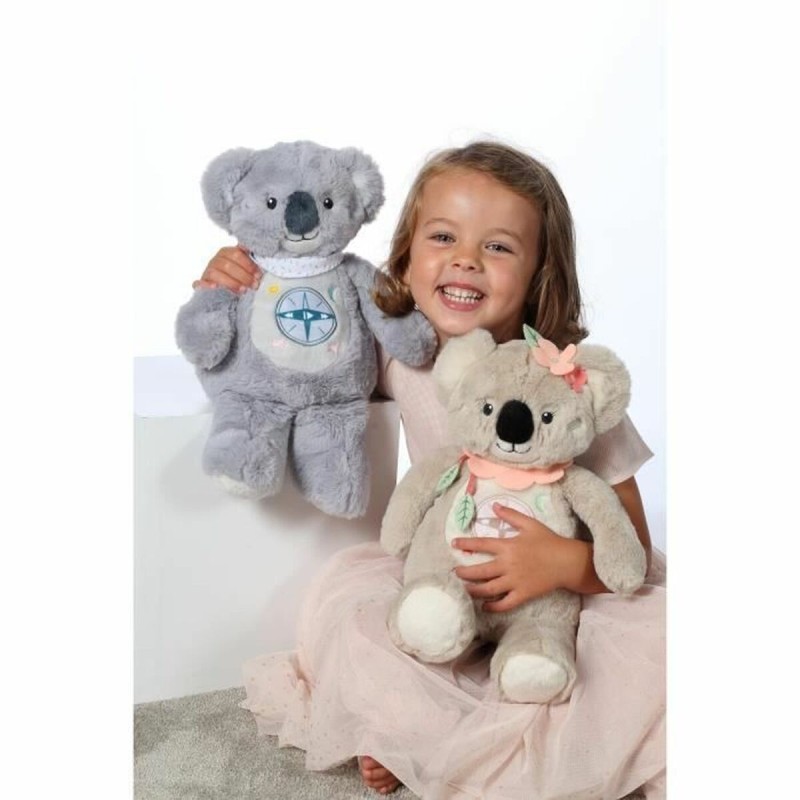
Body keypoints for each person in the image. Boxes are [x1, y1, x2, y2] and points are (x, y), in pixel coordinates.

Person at [193, 141, 666, 799]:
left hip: (566, 600)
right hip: (445, 578)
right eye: (443, 236)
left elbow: (633, 546)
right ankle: (411, 736)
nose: (465, 259)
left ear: (540, 272)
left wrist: (561, 564)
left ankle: (470, 739)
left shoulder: (568, 382)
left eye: (498, 247)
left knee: (641, 664)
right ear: (407, 254)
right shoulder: (395, 352)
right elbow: (286, 356)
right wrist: (234, 287)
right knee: (363, 628)